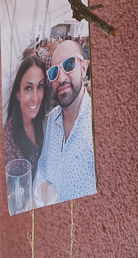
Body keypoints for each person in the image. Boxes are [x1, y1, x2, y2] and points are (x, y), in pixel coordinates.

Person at [35, 39, 96, 205]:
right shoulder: (52, 120)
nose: (61, 78)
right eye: (54, 72)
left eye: (69, 64)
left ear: (84, 68)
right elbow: (43, 169)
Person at [3, 55, 49, 173]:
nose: (35, 98)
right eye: (28, 88)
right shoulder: (8, 139)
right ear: (18, 93)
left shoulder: (38, 122)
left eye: (39, 86)